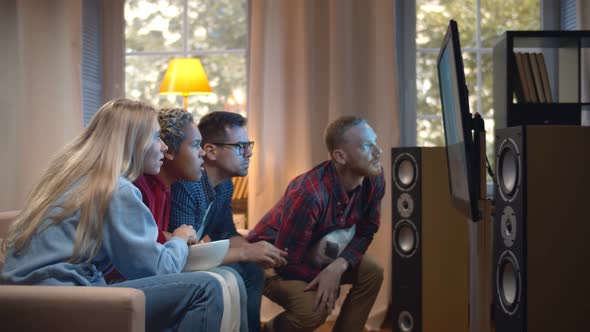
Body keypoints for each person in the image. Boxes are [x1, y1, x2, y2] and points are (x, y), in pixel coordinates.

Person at [1, 98, 224, 332]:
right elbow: (159, 268)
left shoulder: (71, 179)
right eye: (156, 137)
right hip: (63, 300)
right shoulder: (116, 189)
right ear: (133, 141)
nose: (164, 147)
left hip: (24, 300)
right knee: (206, 288)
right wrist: (179, 239)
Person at [247, 116, 386, 332]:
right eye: (367, 146)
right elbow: (288, 261)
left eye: (375, 142)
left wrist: (337, 268)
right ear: (340, 156)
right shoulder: (310, 194)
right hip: (271, 262)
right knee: (315, 308)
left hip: (318, 253)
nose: (379, 151)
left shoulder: (373, 177)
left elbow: (367, 231)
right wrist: (324, 279)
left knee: (372, 272)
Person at [170, 111, 287, 332]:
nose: (249, 153)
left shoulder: (224, 185)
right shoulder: (187, 184)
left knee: (252, 269)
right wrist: (245, 253)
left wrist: (257, 250)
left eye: (249, 145)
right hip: (172, 263)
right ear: (211, 151)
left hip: (188, 256)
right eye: (241, 146)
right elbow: (184, 253)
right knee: (238, 270)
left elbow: (226, 233)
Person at [133, 107, 247, 332]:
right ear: (170, 152)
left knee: (232, 276)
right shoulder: (140, 187)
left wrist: (175, 238)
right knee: (215, 283)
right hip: (124, 279)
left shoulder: (165, 188)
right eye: (196, 145)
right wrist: (177, 237)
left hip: (154, 266)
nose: (202, 152)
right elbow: (154, 249)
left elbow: (160, 239)